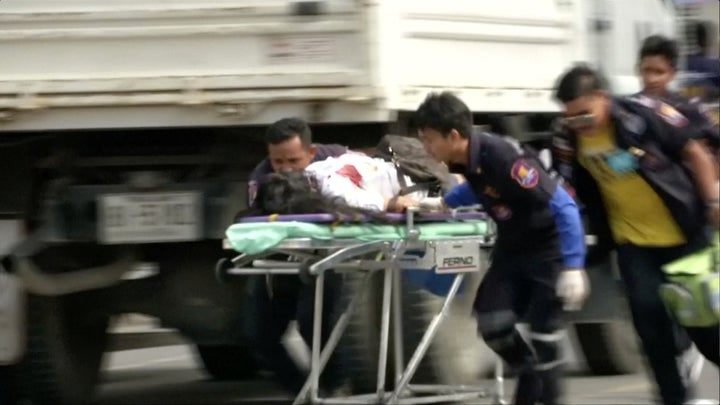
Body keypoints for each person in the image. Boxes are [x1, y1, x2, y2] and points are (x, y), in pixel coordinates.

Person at [552, 64, 720, 405]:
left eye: (584, 115)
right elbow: (567, 184)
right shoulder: (567, 136)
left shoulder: (642, 115)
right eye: (570, 118)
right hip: (633, 243)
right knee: (650, 327)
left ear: (602, 97)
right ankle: (674, 398)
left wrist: (713, 199)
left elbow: (695, 151)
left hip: (682, 236)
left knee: (703, 328)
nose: (578, 125)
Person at [413, 91, 590, 405]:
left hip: (547, 248)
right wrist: (442, 203)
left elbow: (563, 206)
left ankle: (543, 391)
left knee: (545, 338)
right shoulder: (466, 159)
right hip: (512, 247)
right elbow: (480, 188)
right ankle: (528, 375)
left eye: (429, 140)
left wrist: (574, 266)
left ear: (453, 136)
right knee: (493, 324)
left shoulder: (504, 157)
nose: (426, 148)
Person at [636, 33, 718, 390]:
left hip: (691, 226)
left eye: (658, 71)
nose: (651, 78)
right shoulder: (632, 113)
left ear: (671, 74)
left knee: (700, 314)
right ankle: (672, 388)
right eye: (645, 70)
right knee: (652, 311)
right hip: (647, 232)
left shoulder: (690, 112)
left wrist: (712, 198)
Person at [243, 117, 348, 396]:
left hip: (327, 255)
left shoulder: (336, 161)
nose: (285, 169)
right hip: (281, 257)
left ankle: (334, 386)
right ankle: (302, 393)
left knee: (313, 324)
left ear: (311, 153)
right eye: (278, 162)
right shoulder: (261, 179)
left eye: (293, 160)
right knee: (259, 335)